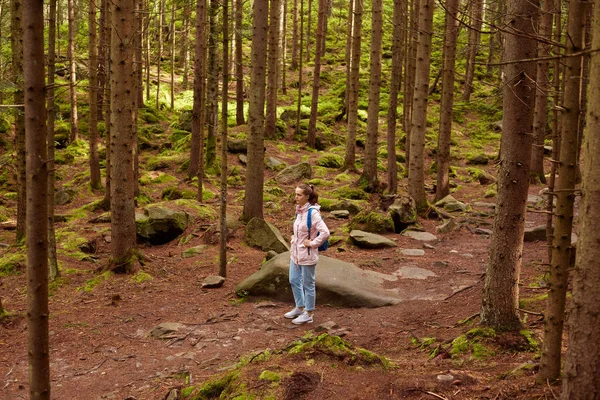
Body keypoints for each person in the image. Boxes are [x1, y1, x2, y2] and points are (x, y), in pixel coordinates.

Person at [285, 184, 330, 324]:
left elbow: (325, 232)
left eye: (299, 195)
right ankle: (300, 307)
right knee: (293, 280)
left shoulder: (313, 213)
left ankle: (309, 313)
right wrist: (294, 238)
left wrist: (312, 243)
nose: (296, 197)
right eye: (295, 194)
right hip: (295, 253)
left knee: (308, 284)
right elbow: (300, 229)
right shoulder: (299, 211)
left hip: (308, 254)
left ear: (307, 197)